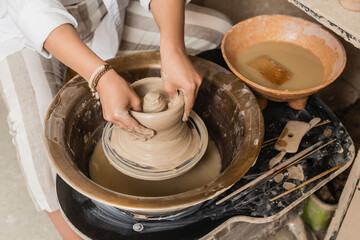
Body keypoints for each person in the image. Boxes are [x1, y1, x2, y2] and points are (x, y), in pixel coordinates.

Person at [0, 0, 232, 238]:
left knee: (221, 34)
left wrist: (173, 47)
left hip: (102, 12)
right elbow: (34, 11)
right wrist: (100, 76)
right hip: (26, 29)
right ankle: (75, 234)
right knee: (36, 131)